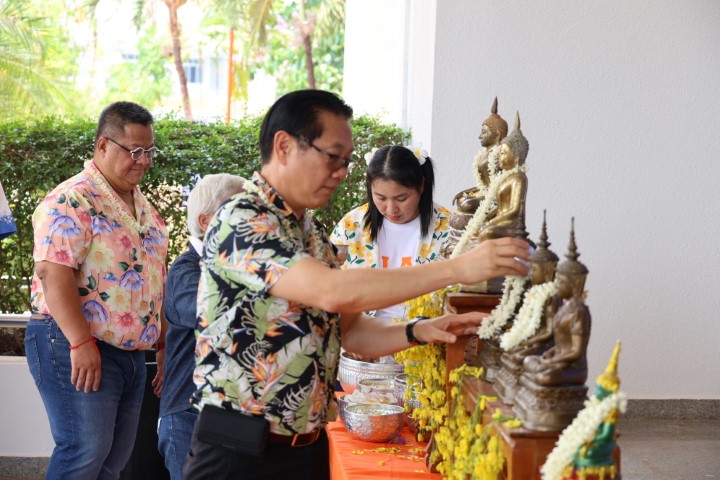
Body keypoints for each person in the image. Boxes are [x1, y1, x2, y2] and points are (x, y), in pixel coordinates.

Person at [183, 89, 530, 480]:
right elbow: (333, 291)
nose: (341, 172)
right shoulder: (242, 218)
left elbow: (351, 331)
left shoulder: (309, 231)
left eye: (346, 161)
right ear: (284, 146)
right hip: (239, 453)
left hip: (304, 447)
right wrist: (457, 269)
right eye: (332, 157)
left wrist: (420, 330)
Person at [26, 101, 168, 479]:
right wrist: (80, 342)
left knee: (113, 461)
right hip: (73, 340)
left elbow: (156, 276)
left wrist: (162, 343)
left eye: (149, 151)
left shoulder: (142, 205)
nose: (144, 161)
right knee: (84, 452)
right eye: (134, 151)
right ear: (103, 145)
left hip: (129, 353)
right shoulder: (73, 198)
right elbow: (52, 272)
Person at [158, 173, 246, 480]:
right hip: (188, 414)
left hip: (231, 415)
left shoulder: (238, 266)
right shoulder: (185, 269)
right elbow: (208, 313)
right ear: (206, 221)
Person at [330, 145, 450, 322]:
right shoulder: (351, 226)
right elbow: (329, 284)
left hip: (425, 332)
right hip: (362, 332)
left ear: (421, 185)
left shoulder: (448, 228)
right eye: (381, 198)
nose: (391, 209)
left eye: (401, 198)